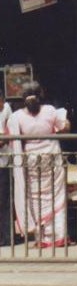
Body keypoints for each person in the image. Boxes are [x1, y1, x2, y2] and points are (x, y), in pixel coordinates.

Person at [6, 81, 71, 248]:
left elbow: (10, 138)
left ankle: (42, 239)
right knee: (56, 197)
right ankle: (59, 237)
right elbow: (65, 127)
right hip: (52, 159)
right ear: (40, 96)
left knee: (35, 198)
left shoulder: (17, 117)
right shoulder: (50, 111)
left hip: (32, 162)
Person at [0, 92, 13, 246]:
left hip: (5, 162)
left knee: (5, 200)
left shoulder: (7, 109)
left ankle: (7, 237)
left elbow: (9, 132)